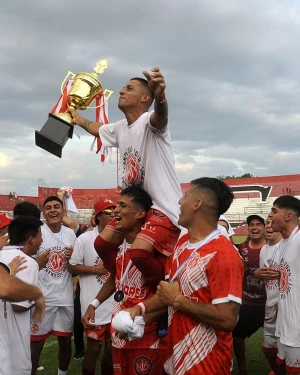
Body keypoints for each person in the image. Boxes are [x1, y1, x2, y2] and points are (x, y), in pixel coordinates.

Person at [70, 67, 182, 293]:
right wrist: (78, 118)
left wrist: (161, 97)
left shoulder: (149, 124)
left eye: (128, 88)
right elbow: (99, 129)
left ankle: (162, 292)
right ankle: (123, 278)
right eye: (123, 87)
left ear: (145, 97)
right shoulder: (121, 128)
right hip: (134, 207)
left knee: (139, 252)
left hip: (162, 208)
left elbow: (161, 117)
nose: (121, 91)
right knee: (101, 243)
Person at [125, 177, 244, 374]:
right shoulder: (181, 246)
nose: (180, 201)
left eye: (185, 196)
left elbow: (227, 319)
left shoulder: (224, 254)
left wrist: (177, 300)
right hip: (174, 359)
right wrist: (139, 311)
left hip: (207, 366)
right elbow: (169, 295)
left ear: (198, 204)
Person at [82, 187, 169, 375]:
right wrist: (93, 304)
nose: (115, 211)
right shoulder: (120, 245)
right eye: (116, 205)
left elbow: (168, 295)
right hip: (120, 331)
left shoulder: (151, 251)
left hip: (145, 335)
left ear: (140, 214)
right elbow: (117, 278)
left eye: (122, 205)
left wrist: (144, 319)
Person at [68, 199, 116, 375]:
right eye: (108, 212)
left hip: (116, 304)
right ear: (98, 217)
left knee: (112, 350)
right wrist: (96, 269)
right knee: (94, 349)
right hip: (92, 304)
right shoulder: (85, 239)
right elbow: (71, 266)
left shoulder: (121, 238)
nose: (113, 214)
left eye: (115, 210)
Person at [30, 196, 76, 375]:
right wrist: (38, 262)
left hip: (65, 298)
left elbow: (75, 265)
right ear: (44, 213)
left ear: (63, 211)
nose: (53, 210)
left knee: (65, 342)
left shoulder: (71, 234)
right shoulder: (37, 232)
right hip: (42, 298)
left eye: (57, 206)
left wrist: (73, 257)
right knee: (36, 343)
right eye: (48, 207)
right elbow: (27, 262)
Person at [0, 216, 43, 375]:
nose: (42, 240)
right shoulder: (28, 263)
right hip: (15, 348)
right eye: (40, 236)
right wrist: (37, 298)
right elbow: (19, 306)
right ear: (31, 239)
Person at [57, 189, 97, 360]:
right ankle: (80, 348)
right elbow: (62, 218)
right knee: (80, 314)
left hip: (104, 281)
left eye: (99, 213)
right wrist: (60, 196)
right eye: (94, 213)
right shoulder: (81, 230)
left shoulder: (114, 233)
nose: (95, 216)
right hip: (85, 281)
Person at [269, 195, 300, 375]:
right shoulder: (284, 243)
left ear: (288, 216)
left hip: (297, 330)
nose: (270, 215)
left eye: (274, 211)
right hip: (285, 324)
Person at [233, 214, 267, 375]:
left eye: (258, 224)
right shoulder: (241, 249)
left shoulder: (273, 247)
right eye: (251, 224)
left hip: (269, 304)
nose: (255, 227)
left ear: (264, 227)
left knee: (278, 341)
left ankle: (281, 369)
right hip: (247, 302)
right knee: (237, 337)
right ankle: (243, 371)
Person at [255, 216, 282, 375]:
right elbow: (265, 276)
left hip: (285, 307)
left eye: (273, 222)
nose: (269, 226)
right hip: (270, 306)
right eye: (267, 223)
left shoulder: (287, 246)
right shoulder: (264, 249)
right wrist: (258, 274)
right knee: (268, 349)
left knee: (288, 350)